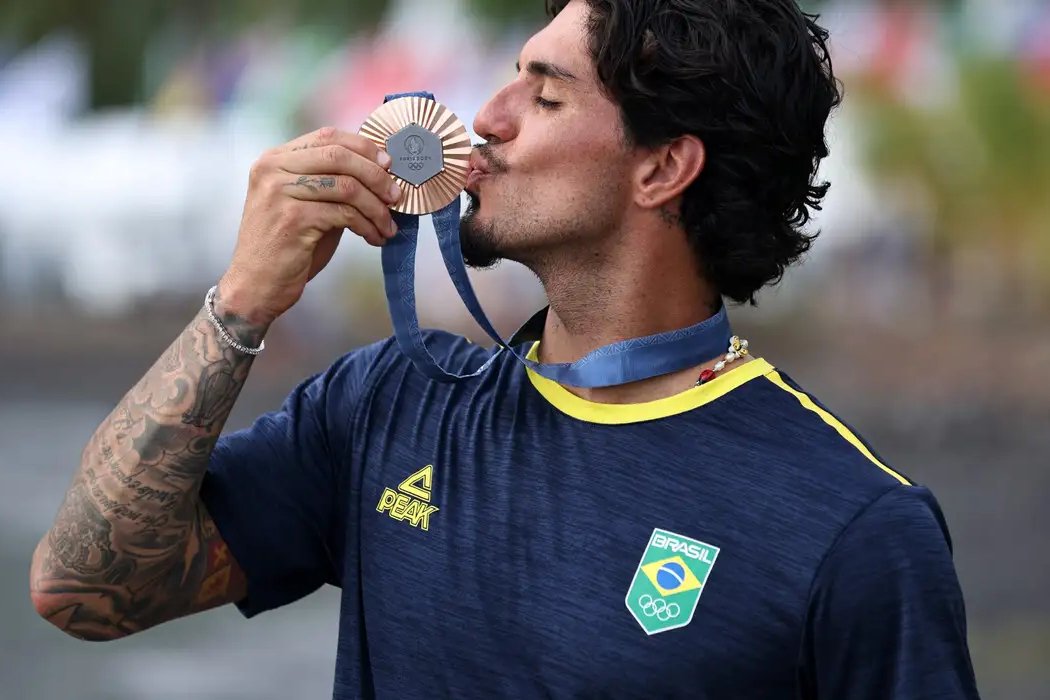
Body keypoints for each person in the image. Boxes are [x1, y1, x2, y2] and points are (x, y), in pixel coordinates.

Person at [29, 0, 981, 698]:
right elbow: (83, 587)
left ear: (662, 167)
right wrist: (240, 306)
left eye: (546, 93)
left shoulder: (855, 527)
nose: (485, 117)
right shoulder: (391, 404)